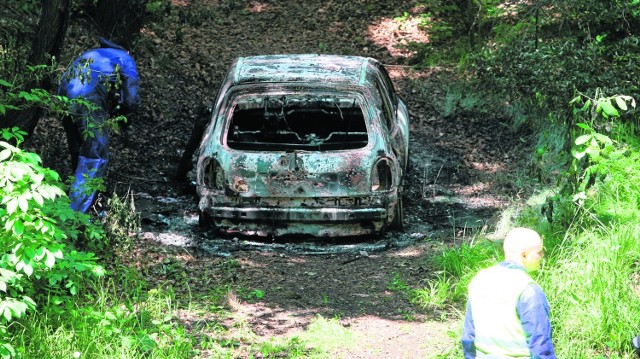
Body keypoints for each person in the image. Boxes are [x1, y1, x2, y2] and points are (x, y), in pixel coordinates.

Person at [58, 37, 140, 213]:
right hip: (89, 101)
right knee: (95, 155)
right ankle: (75, 213)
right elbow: (131, 100)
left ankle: (88, 200)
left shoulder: (90, 55)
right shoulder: (125, 58)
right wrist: (123, 112)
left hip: (64, 98)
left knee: (78, 149)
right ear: (126, 50)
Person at [461, 227, 556, 358]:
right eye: (539, 252)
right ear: (524, 255)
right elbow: (541, 345)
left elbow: (468, 337)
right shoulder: (528, 289)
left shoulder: (479, 280)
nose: (542, 256)